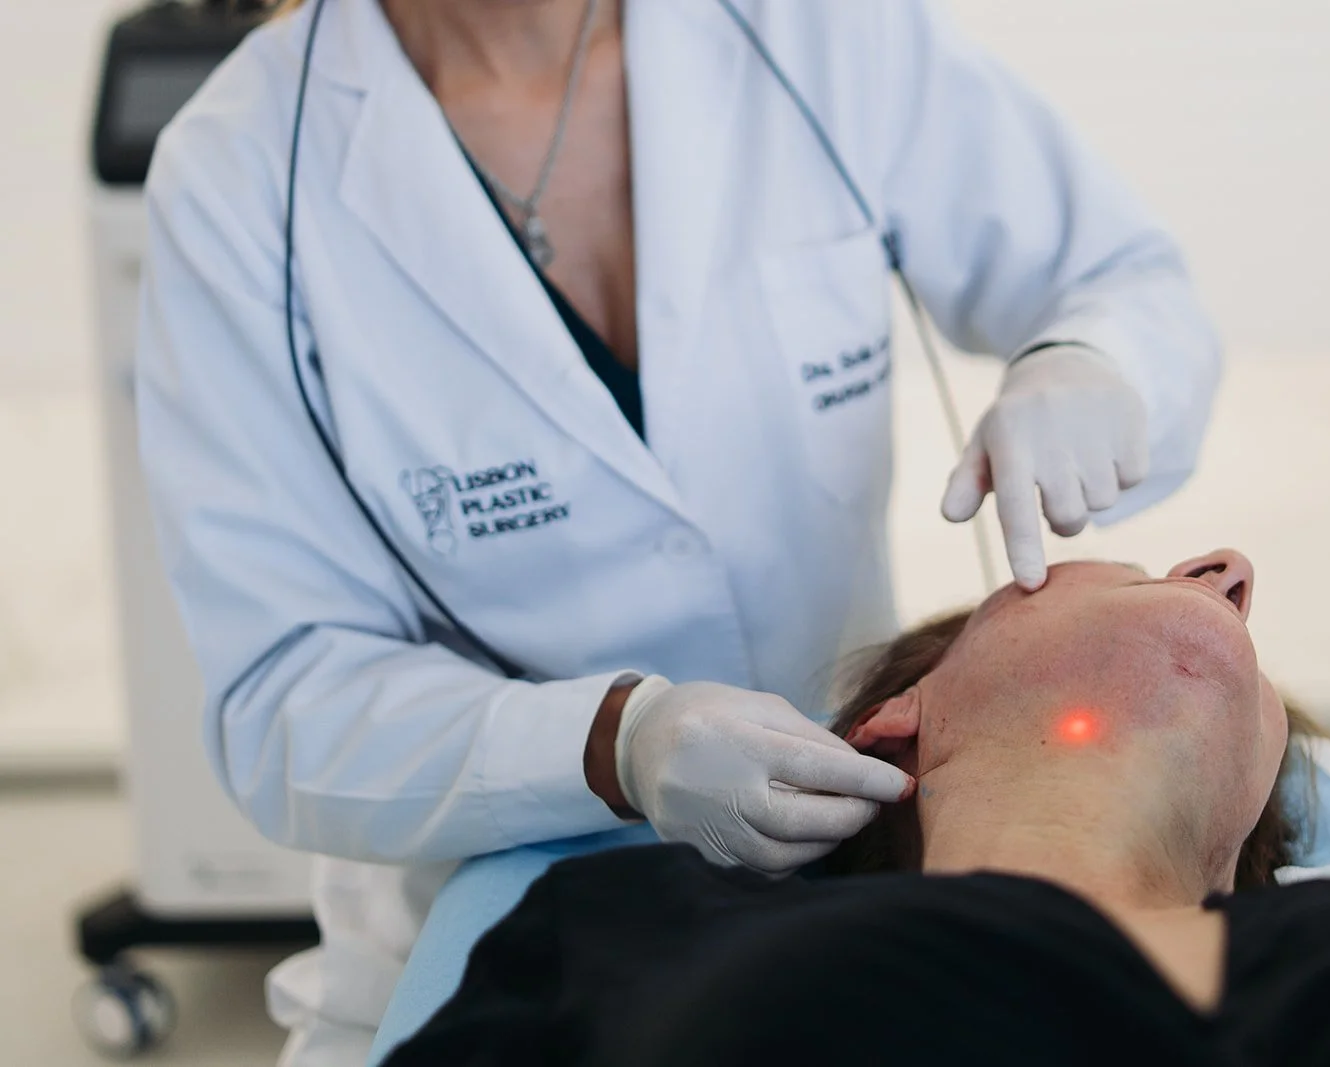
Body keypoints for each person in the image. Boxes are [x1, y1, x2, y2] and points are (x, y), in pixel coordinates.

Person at [134, 0, 1219, 1061]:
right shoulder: (241, 176)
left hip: (861, 864)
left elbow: (1120, 279)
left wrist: (1092, 364)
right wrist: (617, 742)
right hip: (487, 906)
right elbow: (287, 700)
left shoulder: (818, 30)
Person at [385, 550, 1330, 1066]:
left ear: (1242, 846)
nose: (1225, 572)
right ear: (899, 722)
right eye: (1128, 571)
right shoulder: (630, 922)